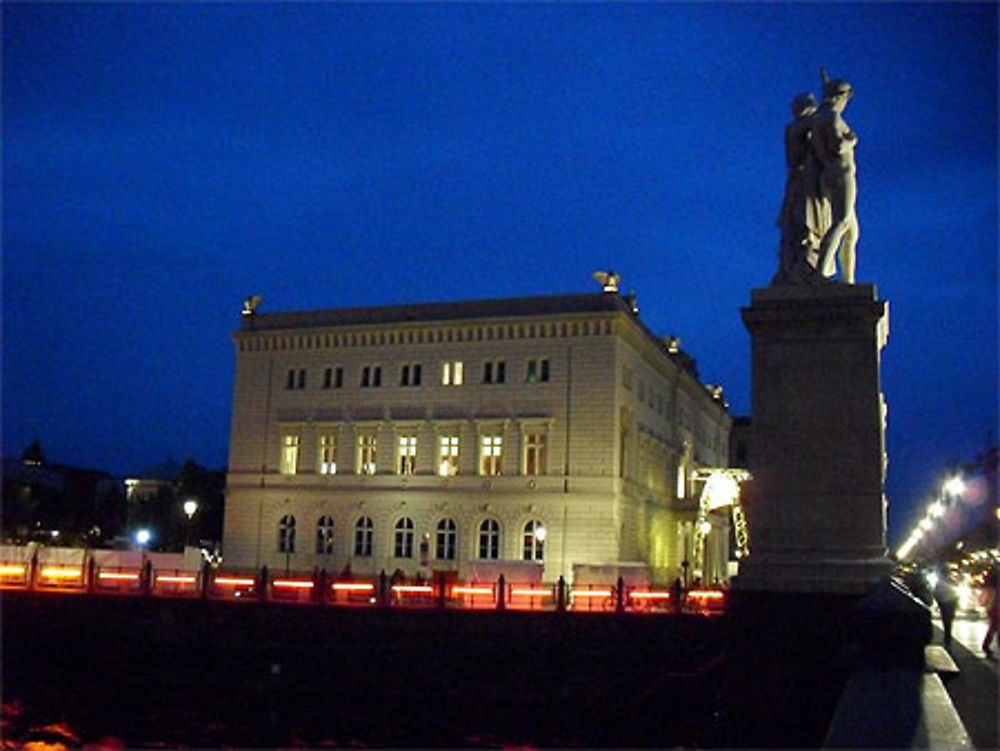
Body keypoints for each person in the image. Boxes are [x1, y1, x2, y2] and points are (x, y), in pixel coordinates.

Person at [773, 92, 829, 285]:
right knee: (802, 223)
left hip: (813, 183)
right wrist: (827, 110)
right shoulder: (795, 127)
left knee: (813, 225)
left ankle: (811, 263)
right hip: (802, 183)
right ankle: (802, 266)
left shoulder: (811, 125)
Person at [811, 71, 860, 284]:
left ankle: (848, 280)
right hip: (840, 174)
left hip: (831, 175)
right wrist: (852, 140)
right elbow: (838, 146)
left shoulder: (821, 116)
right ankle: (820, 273)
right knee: (841, 223)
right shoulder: (831, 117)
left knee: (851, 232)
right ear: (841, 97)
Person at [933, 566, 959, 647]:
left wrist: (938, 603)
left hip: (944, 603)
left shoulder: (939, 582)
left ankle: (947, 638)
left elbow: (935, 593)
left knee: (946, 621)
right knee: (948, 621)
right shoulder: (950, 580)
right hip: (950, 603)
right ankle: (947, 638)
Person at [981, 566, 998, 657]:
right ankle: (986, 645)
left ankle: (986, 646)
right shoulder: (995, 585)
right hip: (995, 607)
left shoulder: (990, 583)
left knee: (994, 627)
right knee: (995, 627)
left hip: (993, 607)